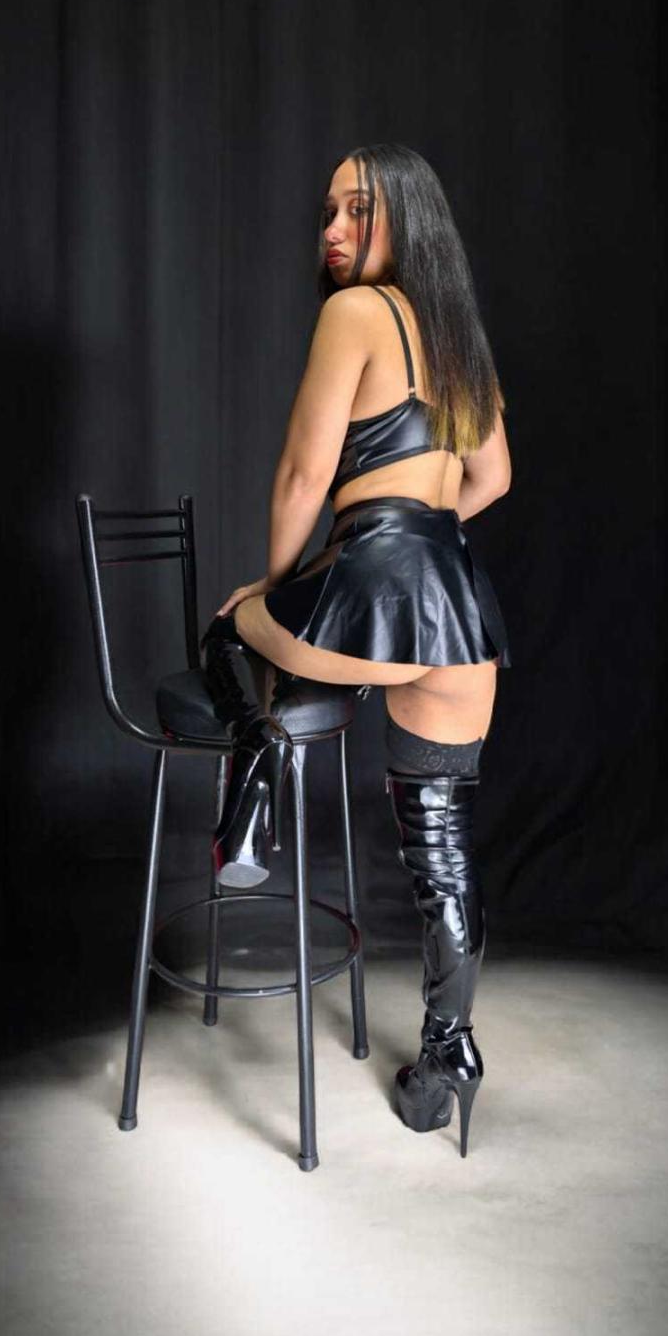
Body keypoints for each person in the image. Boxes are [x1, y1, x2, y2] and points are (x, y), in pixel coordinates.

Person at [200, 142, 512, 1158]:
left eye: (357, 209)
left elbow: (303, 474)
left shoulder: (355, 312)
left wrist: (278, 591)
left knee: (227, 627)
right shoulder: (455, 328)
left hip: (371, 583)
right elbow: (492, 478)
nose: (332, 230)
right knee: (443, 847)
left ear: (405, 218)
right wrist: (422, 539)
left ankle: (255, 781)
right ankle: (446, 1059)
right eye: (328, 211)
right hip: (458, 603)